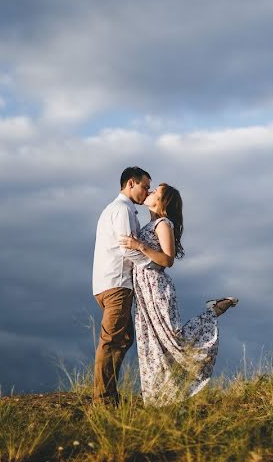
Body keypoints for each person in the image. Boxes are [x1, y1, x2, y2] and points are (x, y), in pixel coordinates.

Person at [119, 182, 238, 405]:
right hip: (143, 290)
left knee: (174, 339)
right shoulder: (150, 224)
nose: (150, 191)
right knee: (151, 343)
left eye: (156, 192)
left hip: (156, 288)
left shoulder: (164, 224)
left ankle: (212, 312)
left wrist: (139, 246)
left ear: (162, 202)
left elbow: (168, 260)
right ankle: (157, 398)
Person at [91, 166, 153, 404]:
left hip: (108, 282)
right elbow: (128, 248)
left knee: (125, 338)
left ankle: (109, 392)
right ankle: (103, 399)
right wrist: (153, 264)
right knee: (111, 341)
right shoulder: (123, 210)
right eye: (144, 186)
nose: (146, 192)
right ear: (130, 183)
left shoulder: (115, 209)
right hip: (117, 283)